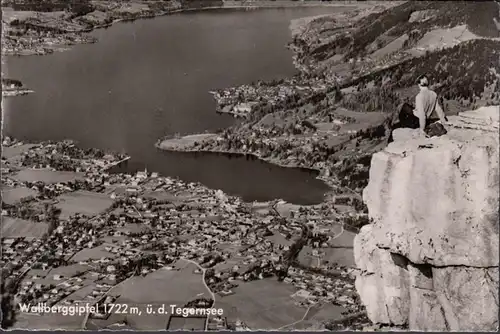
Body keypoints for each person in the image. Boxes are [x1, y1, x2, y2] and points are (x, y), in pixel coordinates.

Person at [388, 75, 448, 142]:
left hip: (416, 122)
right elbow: (438, 109)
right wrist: (443, 121)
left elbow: (422, 115)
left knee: (404, 108)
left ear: (419, 84)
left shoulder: (419, 96)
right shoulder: (433, 94)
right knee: (406, 107)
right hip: (424, 118)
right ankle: (399, 122)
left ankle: (392, 135)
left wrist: (422, 130)